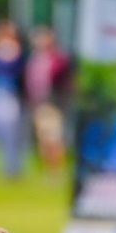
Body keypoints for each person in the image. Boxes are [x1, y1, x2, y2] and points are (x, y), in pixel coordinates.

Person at [25, 26, 71, 173]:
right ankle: (48, 169)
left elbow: (59, 76)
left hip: (54, 102)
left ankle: (57, 169)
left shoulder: (58, 57)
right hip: (38, 103)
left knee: (55, 137)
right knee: (43, 137)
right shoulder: (35, 58)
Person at [0, 20, 26, 179]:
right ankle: (1, 167)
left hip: (8, 93)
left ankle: (13, 168)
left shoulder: (13, 49)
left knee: (11, 132)